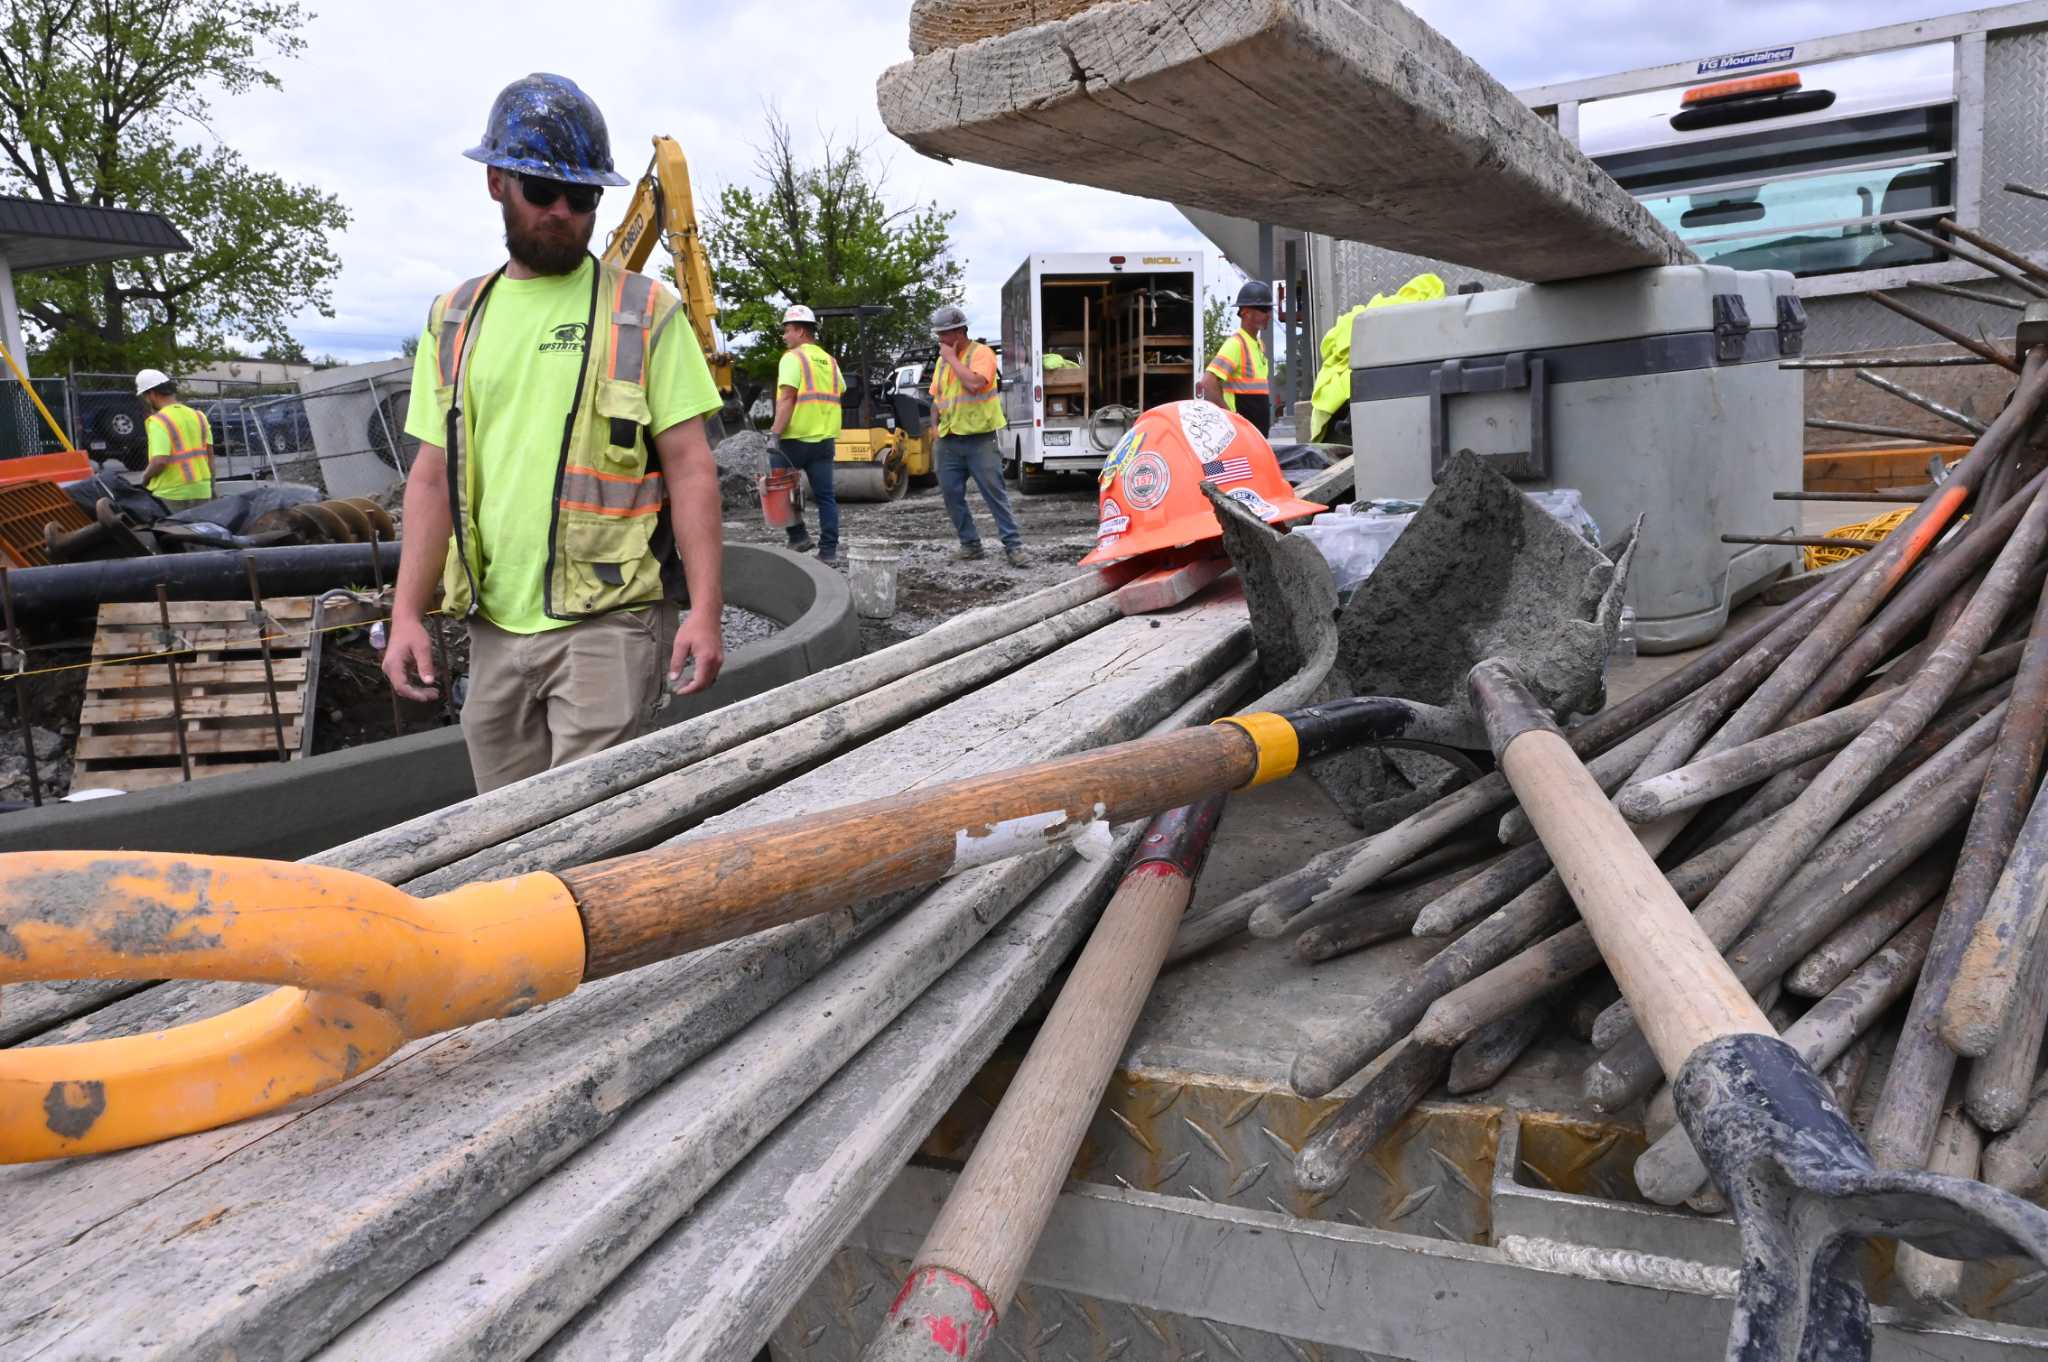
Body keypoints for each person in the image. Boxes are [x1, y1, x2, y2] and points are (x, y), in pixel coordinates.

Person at [382, 72, 726, 793]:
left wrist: (705, 610)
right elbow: (432, 478)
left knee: (589, 833)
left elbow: (692, 467)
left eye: (583, 198)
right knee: (504, 833)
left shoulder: (643, 311)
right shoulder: (454, 319)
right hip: (493, 629)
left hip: (608, 623)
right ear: (497, 185)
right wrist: (406, 612)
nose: (564, 213)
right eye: (543, 192)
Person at [928, 303, 1025, 566]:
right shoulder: (942, 361)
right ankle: (970, 545)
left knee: (995, 495)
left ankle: (1013, 547)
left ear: (958, 332)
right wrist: (934, 427)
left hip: (980, 439)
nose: (940, 341)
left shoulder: (982, 354)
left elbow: (973, 384)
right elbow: (937, 396)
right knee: (950, 494)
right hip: (949, 440)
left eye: (943, 335)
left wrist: (951, 359)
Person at [768, 304, 844, 563]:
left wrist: (775, 434)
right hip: (824, 440)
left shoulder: (793, 358)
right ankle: (829, 551)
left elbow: (787, 398)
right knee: (826, 497)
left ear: (800, 331)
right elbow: (840, 389)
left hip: (795, 438)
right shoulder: (830, 361)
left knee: (777, 482)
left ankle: (798, 536)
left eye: (787, 330)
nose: (784, 336)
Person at [1199, 281, 1274, 436]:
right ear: (1245, 312)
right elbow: (1207, 383)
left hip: (1255, 432)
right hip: (1242, 433)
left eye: (1270, 309)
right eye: (1263, 309)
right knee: (1227, 461)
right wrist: (1230, 418)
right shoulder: (1235, 344)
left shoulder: (1259, 344)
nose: (1269, 314)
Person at [133, 368, 214, 504]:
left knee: (171, 526)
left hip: (171, 493)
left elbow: (160, 461)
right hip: (202, 490)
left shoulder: (159, 420)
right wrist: (211, 485)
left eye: (145, 397)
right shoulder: (199, 416)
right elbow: (210, 455)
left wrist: (145, 478)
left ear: (152, 394)